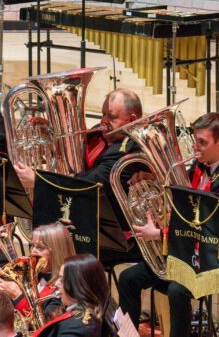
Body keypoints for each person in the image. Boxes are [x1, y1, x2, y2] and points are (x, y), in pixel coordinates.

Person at [117, 112, 219, 337]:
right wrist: (150, 179)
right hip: (187, 253)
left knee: (177, 290)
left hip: (215, 261)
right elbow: (178, 198)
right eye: (195, 141)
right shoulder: (199, 164)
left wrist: (160, 235)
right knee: (128, 278)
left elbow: (203, 232)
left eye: (202, 142)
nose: (196, 148)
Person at [13, 88, 143, 262]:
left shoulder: (130, 150)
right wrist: (52, 137)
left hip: (111, 236)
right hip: (83, 220)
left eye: (111, 117)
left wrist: (38, 181)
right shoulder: (101, 134)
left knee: (51, 248)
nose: (103, 121)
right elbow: (73, 160)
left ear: (132, 120)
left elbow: (86, 184)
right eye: (102, 114)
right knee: (45, 240)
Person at [0, 222, 76, 321]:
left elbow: (45, 326)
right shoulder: (34, 276)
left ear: (57, 251)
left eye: (40, 248)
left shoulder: (65, 287)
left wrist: (17, 295)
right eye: (33, 246)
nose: (32, 252)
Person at [31, 254, 108, 337]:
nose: (56, 284)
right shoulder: (72, 310)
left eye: (62, 280)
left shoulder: (80, 328)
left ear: (78, 286)